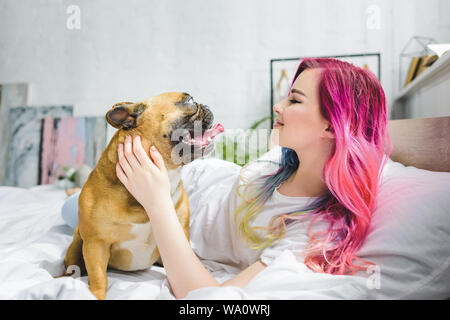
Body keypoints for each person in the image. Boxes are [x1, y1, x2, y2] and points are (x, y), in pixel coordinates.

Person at [61, 57, 392, 299]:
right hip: (199, 179)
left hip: (171, 200)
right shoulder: (282, 157)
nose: (277, 106)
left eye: (294, 99)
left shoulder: (312, 231)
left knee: (74, 211)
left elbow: (206, 297)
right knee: (73, 208)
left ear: (332, 126)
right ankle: (73, 190)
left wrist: (157, 202)